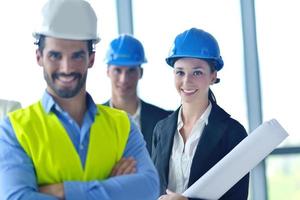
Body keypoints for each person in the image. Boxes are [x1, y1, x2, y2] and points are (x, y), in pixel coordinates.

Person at [0, 0, 159, 199]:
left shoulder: (122, 125)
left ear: (91, 59)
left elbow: (148, 187)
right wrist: (111, 188)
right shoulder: (15, 130)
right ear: (39, 57)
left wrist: (62, 191)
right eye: (55, 56)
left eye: (76, 56)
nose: (66, 68)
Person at [152, 28, 249, 200]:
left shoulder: (233, 133)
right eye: (180, 72)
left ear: (213, 76)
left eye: (197, 72)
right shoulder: (161, 130)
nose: (186, 81)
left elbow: (237, 197)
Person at [104, 34, 172, 154]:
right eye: (117, 70)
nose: (123, 79)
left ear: (140, 72)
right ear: (108, 72)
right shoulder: (91, 118)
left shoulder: (164, 120)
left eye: (131, 71)